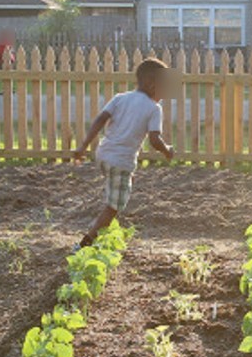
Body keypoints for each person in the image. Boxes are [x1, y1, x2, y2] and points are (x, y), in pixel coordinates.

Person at [72, 58, 175, 249]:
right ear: (152, 84)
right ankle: (85, 244)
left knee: (122, 181)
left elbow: (100, 119)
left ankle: (121, 185)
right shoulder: (154, 109)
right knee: (114, 207)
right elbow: (154, 140)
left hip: (102, 155)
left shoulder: (120, 98)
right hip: (120, 162)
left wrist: (84, 146)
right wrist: (167, 150)